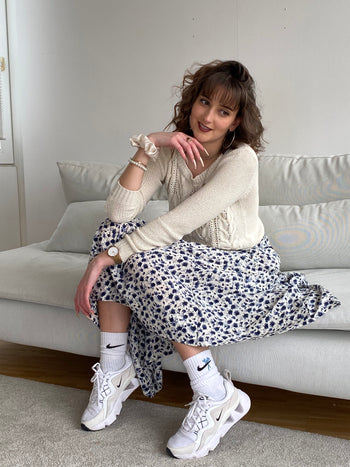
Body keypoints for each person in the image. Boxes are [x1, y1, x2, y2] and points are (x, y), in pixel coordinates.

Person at [74, 59, 340, 459]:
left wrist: (104, 259)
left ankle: (214, 393)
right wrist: (149, 146)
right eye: (204, 103)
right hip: (193, 261)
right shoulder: (172, 152)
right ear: (191, 102)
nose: (208, 117)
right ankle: (114, 372)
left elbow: (178, 223)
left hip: (243, 268)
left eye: (224, 111)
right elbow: (119, 212)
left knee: (127, 253)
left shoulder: (241, 160)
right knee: (112, 233)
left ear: (235, 122)